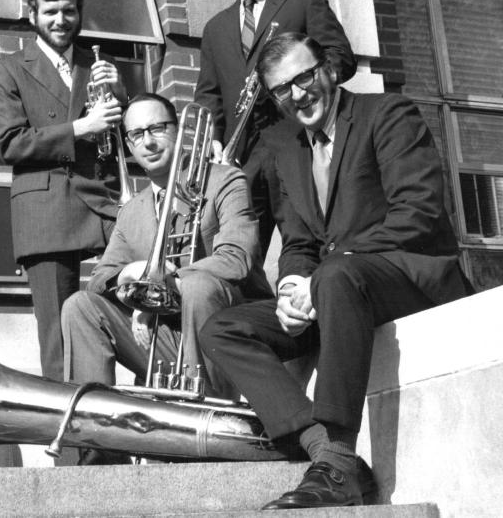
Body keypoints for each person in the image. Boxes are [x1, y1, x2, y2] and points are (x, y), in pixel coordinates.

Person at [200, 33, 473, 509]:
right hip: (335, 291)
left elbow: (420, 211)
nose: (298, 94)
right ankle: (319, 448)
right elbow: (300, 241)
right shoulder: (285, 146)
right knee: (223, 327)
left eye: (304, 77)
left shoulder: (386, 114)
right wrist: (290, 286)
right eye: (283, 89)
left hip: (408, 279)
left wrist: (326, 271)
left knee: (335, 276)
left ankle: (342, 461)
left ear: (326, 69)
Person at [62, 94, 274, 429]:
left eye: (157, 128)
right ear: (128, 144)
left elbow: (237, 259)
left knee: (198, 285)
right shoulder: (131, 211)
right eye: (136, 134)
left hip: (224, 332)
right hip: (164, 339)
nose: (147, 141)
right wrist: (132, 278)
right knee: (79, 306)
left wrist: (164, 285)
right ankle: (96, 441)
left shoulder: (224, 180)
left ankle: (210, 419)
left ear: (178, 130)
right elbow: (102, 278)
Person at [0, 0, 127, 381]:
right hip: (46, 209)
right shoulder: (8, 69)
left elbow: (132, 137)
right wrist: (79, 129)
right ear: (34, 16)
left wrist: (122, 96)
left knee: (128, 318)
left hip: (104, 203)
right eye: (50, 12)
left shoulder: (98, 64)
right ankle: (71, 445)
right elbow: (9, 143)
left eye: (69, 10)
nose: (61, 20)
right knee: (59, 341)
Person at [194, 0, 356, 257]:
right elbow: (209, 95)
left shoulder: (304, 1)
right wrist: (211, 137)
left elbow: (340, 57)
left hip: (299, 145)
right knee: (239, 258)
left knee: (310, 245)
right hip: (244, 160)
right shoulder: (215, 28)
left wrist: (298, 87)